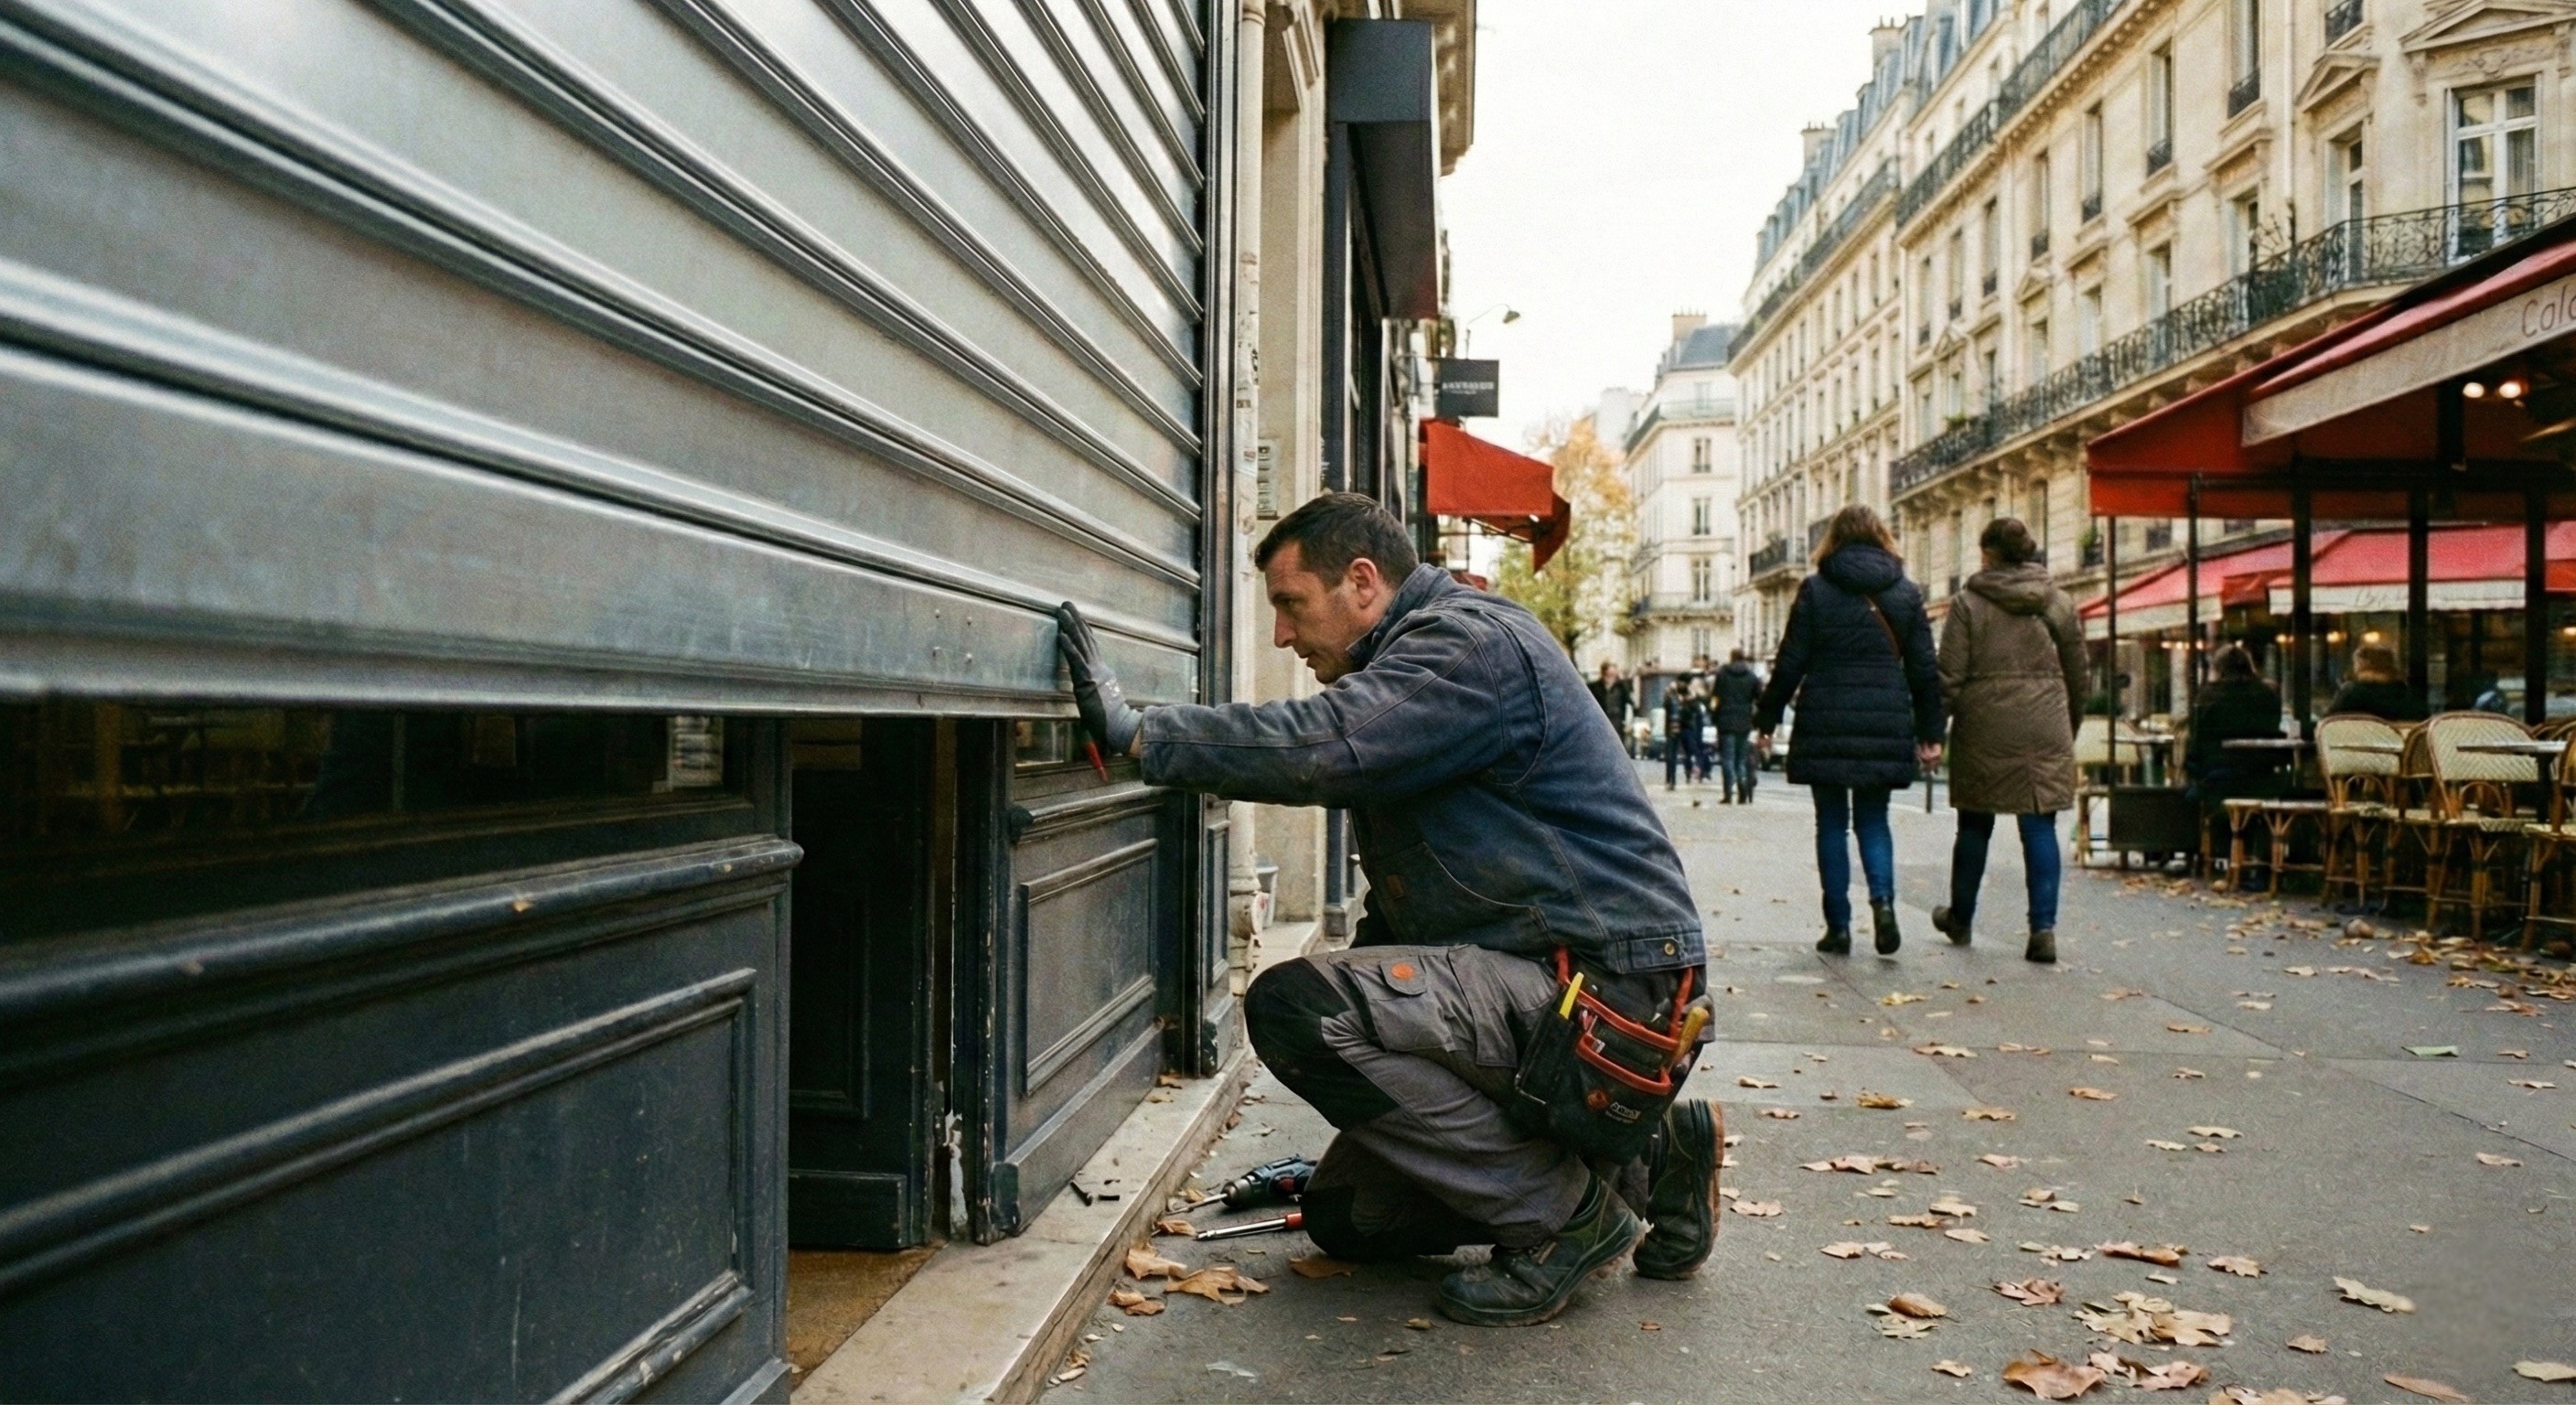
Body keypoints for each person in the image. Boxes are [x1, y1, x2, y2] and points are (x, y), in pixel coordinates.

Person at [1052, 493, 1720, 1328]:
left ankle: (1564, 1222)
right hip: (1560, 990)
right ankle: (1654, 1157)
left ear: (1362, 582)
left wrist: (1143, 734)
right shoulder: (1417, 665)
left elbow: (1322, 748)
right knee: (1349, 1221)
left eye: (1292, 606)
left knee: (1295, 1008)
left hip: (1597, 997)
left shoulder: (1464, 645)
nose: (1282, 638)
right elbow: (1415, 922)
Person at [1755, 505, 1945, 956]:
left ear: (1834, 541)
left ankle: (1838, 926)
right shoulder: (1905, 593)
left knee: (1832, 825)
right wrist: (1931, 732)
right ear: (1882, 538)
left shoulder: (1817, 590)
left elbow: (1791, 661)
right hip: (1884, 714)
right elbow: (1923, 668)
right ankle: (1883, 906)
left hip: (1826, 714)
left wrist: (1766, 720)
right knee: (1874, 821)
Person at [1927, 519, 2086, 966]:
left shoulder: (1968, 603)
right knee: (2039, 825)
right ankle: (2043, 929)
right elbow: (2079, 672)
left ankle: (1961, 916)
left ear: (1988, 555)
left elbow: (1949, 677)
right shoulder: (2057, 602)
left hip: (1985, 723)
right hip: (2046, 722)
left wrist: (1933, 730)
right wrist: (2067, 725)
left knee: (1975, 824)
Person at [1711, 649, 1763, 803]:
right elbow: (1759, 699)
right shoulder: (1752, 676)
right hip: (1744, 722)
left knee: (1727, 758)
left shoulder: (1722, 674)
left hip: (1725, 722)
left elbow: (1715, 698)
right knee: (1740, 759)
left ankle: (1728, 793)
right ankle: (1742, 786)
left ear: (1731, 658)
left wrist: (1714, 716)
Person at [2325, 643, 2420, 722]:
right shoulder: (2405, 692)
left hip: (2358, 743)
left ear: (2361, 663)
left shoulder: (2352, 692)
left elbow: (2328, 721)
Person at [1663, 677, 1707, 791]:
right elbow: (1666, 705)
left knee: (1689, 751)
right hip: (1673, 727)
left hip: (1685, 727)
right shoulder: (1671, 696)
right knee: (1671, 755)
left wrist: (1690, 699)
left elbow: (1695, 712)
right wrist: (1670, 693)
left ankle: (1690, 772)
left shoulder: (1691, 699)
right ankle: (1670, 780)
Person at [1589, 661, 1636, 756]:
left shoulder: (1621, 687)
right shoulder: (1593, 687)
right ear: (1603, 673)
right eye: (1608, 674)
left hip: (1617, 725)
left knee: (1617, 752)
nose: (1611, 677)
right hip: (1599, 724)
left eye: (1613, 675)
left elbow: (1630, 703)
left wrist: (1629, 721)